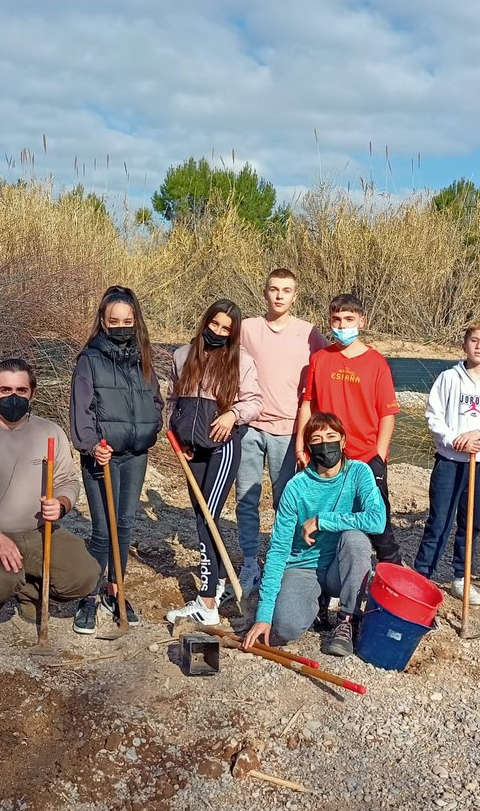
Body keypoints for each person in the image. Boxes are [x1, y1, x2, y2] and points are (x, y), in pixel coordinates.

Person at [0, 357, 100, 642]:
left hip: (40, 532)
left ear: (32, 394)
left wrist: (63, 502)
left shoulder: (50, 432)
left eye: (21, 391)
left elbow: (68, 480)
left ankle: (28, 590)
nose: (13, 397)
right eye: (5, 390)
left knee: (86, 575)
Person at [243, 412, 385, 657]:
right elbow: (278, 551)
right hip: (303, 567)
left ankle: (347, 619)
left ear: (342, 441)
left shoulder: (359, 472)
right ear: (308, 446)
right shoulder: (296, 487)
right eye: (317, 439)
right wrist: (263, 616)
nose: (325, 444)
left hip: (338, 569)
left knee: (356, 539)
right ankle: (316, 602)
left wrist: (324, 520)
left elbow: (377, 520)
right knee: (286, 626)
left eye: (331, 436)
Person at [69, 286, 164, 635]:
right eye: (115, 321)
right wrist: (93, 445)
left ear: (135, 321)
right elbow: (81, 411)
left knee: (124, 526)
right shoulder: (89, 360)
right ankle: (89, 596)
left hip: (135, 455)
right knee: (102, 531)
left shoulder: (143, 357)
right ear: (103, 322)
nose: (122, 326)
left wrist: (150, 429)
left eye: (128, 320)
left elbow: (156, 400)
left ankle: (115, 590)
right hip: (102, 458)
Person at [165, 300, 263, 626]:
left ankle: (208, 603)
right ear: (205, 322)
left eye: (226, 329)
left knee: (207, 518)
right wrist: (177, 435)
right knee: (201, 515)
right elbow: (172, 401)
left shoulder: (241, 362)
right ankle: (219, 581)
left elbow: (255, 402)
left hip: (222, 449)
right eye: (214, 325)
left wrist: (233, 414)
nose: (218, 333)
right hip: (192, 451)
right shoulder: (182, 355)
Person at [233, 268, 327, 591]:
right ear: (265, 292)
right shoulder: (247, 329)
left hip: (288, 432)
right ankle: (248, 562)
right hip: (249, 427)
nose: (279, 296)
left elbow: (330, 364)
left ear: (294, 296)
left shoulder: (309, 333)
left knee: (284, 500)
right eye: (274, 289)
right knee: (246, 498)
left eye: (286, 291)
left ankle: (280, 559)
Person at [414, 320, 480, 603]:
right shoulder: (448, 379)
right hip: (449, 461)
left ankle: (461, 577)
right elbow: (433, 416)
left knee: (470, 522)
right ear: (464, 344)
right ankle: (423, 576)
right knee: (439, 521)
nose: (479, 346)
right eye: (474, 340)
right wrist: (453, 439)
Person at [296, 293, 402, 566]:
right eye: (336, 320)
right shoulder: (320, 359)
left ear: (361, 321)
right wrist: (301, 445)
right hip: (327, 454)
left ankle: (391, 570)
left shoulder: (376, 362)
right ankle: (325, 573)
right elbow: (307, 405)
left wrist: (379, 455)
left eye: (348, 319)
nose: (342, 326)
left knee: (378, 523)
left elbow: (387, 414)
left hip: (366, 456)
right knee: (326, 513)